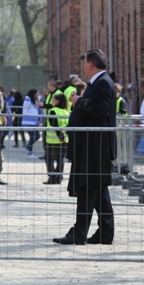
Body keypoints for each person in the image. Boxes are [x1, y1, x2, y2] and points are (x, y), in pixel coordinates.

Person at [53, 49, 116, 245]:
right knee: (99, 191)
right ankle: (106, 232)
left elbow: (100, 110)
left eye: (85, 65)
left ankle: (78, 233)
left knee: (87, 188)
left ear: (90, 64)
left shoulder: (103, 83)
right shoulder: (98, 82)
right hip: (91, 146)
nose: (84, 69)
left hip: (94, 147)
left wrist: (79, 101)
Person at [43, 93, 69, 185]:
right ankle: (58, 177)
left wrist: (60, 137)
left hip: (53, 140)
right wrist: (63, 138)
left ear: (57, 101)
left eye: (53, 99)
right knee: (60, 159)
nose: (51, 102)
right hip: (64, 140)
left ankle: (52, 177)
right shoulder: (66, 112)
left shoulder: (53, 111)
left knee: (49, 159)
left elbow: (55, 125)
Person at [22, 89, 41, 158]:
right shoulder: (27, 99)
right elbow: (26, 109)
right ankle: (30, 152)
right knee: (33, 137)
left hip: (33, 122)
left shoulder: (34, 101)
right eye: (37, 94)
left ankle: (28, 147)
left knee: (36, 136)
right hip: (28, 122)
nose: (38, 95)